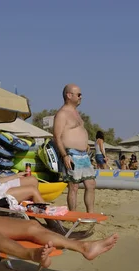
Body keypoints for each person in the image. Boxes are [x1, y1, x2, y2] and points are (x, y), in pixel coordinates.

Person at [53, 84, 96, 213]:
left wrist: (85, 142)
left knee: (91, 184)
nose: (81, 97)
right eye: (78, 94)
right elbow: (57, 136)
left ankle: (91, 214)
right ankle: (73, 215)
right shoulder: (62, 114)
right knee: (74, 186)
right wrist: (64, 155)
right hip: (71, 153)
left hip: (84, 154)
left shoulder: (76, 113)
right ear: (69, 95)